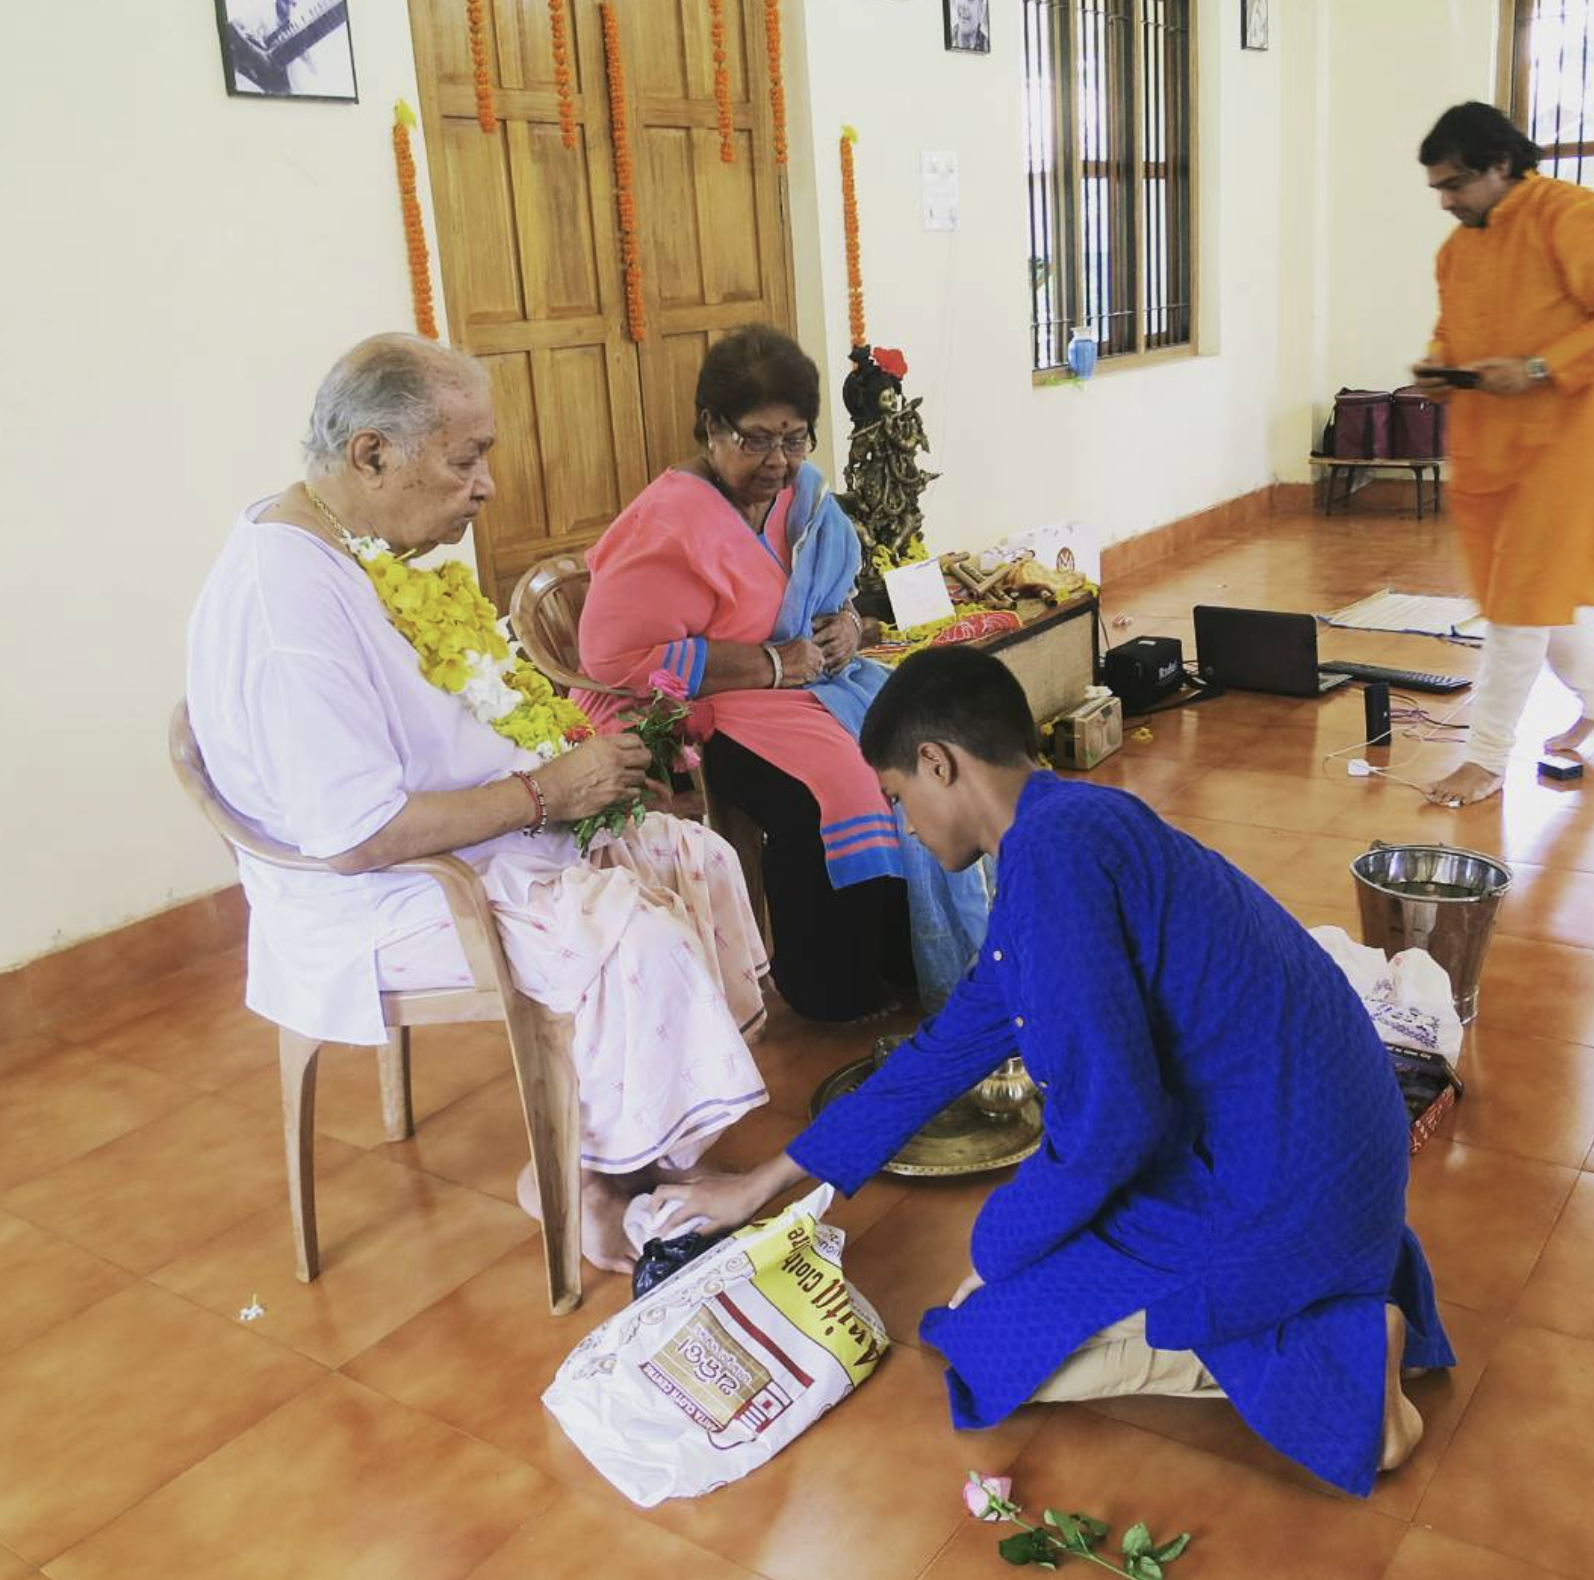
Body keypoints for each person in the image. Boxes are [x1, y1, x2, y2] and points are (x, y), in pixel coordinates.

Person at [656, 646, 1455, 1498]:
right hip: (1315, 1147)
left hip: (1283, 1184)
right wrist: (760, 1185)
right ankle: (1328, 1313)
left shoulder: (1055, 862)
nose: (907, 827)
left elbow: (1116, 1123)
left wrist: (1001, 1247)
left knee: (982, 1342)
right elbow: (946, 1049)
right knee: (1009, 1284)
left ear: (939, 763)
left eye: (899, 799)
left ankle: (1346, 1364)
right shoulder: (1071, 826)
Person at [185, 333, 770, 1274]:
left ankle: (648, 1143)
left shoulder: (340, 538)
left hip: (465, 838)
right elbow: (357, 837)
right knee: (635, 924)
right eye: (467, 460)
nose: (487, 484)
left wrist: (564, 768)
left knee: (692, 855)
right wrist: (546, 790)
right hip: (384, 894)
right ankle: (578, 1182)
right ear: (372, 454)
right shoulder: (288, 605)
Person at [575, 325, 988, 1023]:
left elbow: (834, 596)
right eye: (756, 439)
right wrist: (771, 662)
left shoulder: (806, 501)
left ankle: (908, 955)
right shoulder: (669, 522)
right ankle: (830, 984)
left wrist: (847, 627)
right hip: (710, 707)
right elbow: (613, 658)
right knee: (840, 781)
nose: (777, 461)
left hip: (812, 685)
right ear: (711, 426)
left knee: (920, 740)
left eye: (795, 439)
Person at [1412, 101, 1594, 806]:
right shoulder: (1457, 249)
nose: (1448, 201)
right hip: (1488, 450)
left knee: (1521, 603)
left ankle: (1485, 758)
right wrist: (1437, 367)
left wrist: (1543, 369)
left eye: (1456, 184)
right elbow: (1450, 329)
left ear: (1502, 165)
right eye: (1438, 189)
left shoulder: (1568, 216)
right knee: (1536, 600)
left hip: (1565, 446)